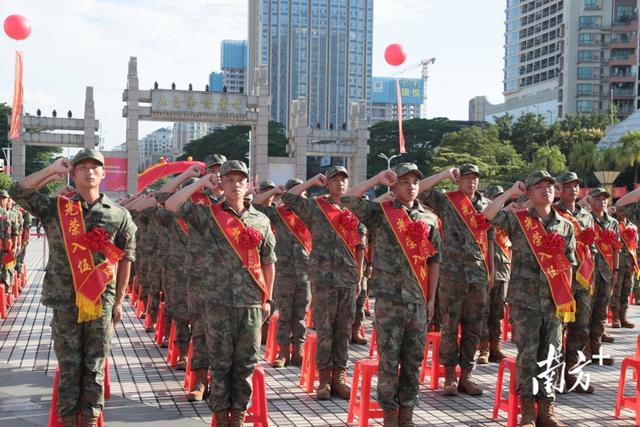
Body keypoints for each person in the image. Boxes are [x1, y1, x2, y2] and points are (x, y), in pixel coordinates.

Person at [10, 149, 136, 427]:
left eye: (95, 167)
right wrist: (51, 171)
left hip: (100, 301)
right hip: (66, 301)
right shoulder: (57, 207)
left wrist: (119, 301)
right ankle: (68, 420)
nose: (89, 171)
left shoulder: (119, 215)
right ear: (74, 172)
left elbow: (127, 258)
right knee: (69, 367)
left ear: (103, 174)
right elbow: (17, 191)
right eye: (82, 167)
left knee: (94, 367)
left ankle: (90, 420)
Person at [165, 160, 276, 427]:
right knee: (221, 363)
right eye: (229, 180)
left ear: (248, 184)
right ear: (221, 184)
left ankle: (238, 415)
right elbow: (171, 203)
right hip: (217, 304)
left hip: (251, 303)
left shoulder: (261, 220)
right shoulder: (208, 215)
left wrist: (269, 298)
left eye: (240, 180)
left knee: (246, 363)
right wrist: (201, 182)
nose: (235, 184)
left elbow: (268, 261)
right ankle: (220, 415)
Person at [342, 163, 441, 427]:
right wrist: (376, 177)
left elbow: (434, 261)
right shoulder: (381, 213)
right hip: (389, 300)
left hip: (419, 301)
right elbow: (349, 198)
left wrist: (431, 300)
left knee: (413, 360)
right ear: (394, 186)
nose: (411, 187)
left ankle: (406, 414)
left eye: (415, 182)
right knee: (389, 360)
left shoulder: (429, 219)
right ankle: (389, 415)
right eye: (405, 181)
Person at [483, 171, 576, 427]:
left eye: (549, 186)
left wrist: (565, 302)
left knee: (552, 354)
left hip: (554, 302)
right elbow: (487, 216)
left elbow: (569, 265)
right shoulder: (518, 220)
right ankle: (527, 411)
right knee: (527, 356)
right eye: (538, 186)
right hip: (525, 302)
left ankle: (547, 409)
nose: (545, 190)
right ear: (529, 193)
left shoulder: (566, 225)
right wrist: (510, 193)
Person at [282, 166, 365, 401]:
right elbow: (288, 198)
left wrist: (359, 276)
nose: (340, 183)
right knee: (325, 330)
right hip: (323, 278)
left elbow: (360, 245)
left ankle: (340, 377)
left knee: (343, 330)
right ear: (326, 184)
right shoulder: (316, 206)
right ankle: (323, 380)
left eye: (343, 180)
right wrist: (310, 182)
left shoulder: (355, 207)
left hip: (348, 278)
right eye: (334, 180)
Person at [417, 164, 490, 396]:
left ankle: (466, 375)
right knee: (449, 326)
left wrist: (492, 272)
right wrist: (443, 175)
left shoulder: (486, 205)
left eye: (475, 178)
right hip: (451, 274)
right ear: (458, 181)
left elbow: (491, 239)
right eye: (467, 178)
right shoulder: (447, 201)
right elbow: (418, 190)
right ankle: (449, 376)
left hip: (478, 274)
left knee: (473, 327)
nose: (472, 182)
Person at [253, 178, 312, 368]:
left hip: (306, 273)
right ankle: (283, 351)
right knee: (284, 314)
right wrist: (273, 192)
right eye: (292, 192)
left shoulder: (311, 214)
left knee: (301, 315)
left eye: (300, 192)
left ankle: (299, 350)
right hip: (284, 273)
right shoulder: (278, 214)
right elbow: (255, 204)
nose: (297, 195)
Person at [553, 171, 597, 393]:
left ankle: (572, 373)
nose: (573, 189)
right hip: (559, 280)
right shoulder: (552, 212)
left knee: (580, 329)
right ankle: (554, 375)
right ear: (560, 188)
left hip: (582, 279)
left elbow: (592, 248)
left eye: (576, 186)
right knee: (557, 330)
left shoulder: (586, 216)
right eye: (568, 185)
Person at [477, 185, 510, 364]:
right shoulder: (486, 218)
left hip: (503, 270)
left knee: (498, 311)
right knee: (484, 311)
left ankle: (495, 347)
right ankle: (483, 348)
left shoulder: (507, 219)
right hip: (486, 270)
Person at [587, 188, 620, 364]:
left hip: (606, 273)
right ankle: (584, 350)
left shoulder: (613, 223)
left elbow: (616, 248)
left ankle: (596, 349)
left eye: (605, 199)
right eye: (598, 199)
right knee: (586, 313)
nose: (602, 202)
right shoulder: (584, 219)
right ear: (590, 201)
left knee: (600, 314)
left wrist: (615, 271)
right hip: (588, 274)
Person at [611, 207, 638, 329]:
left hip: (630, 263)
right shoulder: (613, 223)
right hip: (618, 263)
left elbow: (635, 245)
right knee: (616, 292)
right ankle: (615, 318)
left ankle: (624, 317)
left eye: (625, 209)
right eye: (621, 210)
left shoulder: (633, 226)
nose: (624, 212)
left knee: (627, 291)